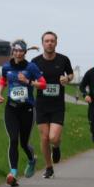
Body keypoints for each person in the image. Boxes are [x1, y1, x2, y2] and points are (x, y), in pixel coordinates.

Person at [0, 40, 45, 186]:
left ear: (24, 52)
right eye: (15, 51)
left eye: (21, 51)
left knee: (24, 143)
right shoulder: (6, 66)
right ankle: (13, 173)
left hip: (27, 109)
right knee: (13, 139)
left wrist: (28, 81)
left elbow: (43, 84)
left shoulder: (31, 67)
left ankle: (32, 159)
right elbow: (3, 79)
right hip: (11, 108)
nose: (18, 53)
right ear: (12, 51)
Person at [31, 31, 74, 178]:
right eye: (46, 41)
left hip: (57, 105)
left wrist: (67, 79)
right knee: (44, 138)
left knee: (53, 138)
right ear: (42, 43)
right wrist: (34, 84)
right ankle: (49, 168)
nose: (49, 43)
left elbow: (71, 74)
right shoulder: (35, 62)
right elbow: (30, 79)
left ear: (56, 43)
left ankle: (56, 146)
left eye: (52, 41)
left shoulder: (63, 60)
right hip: (41, 105)